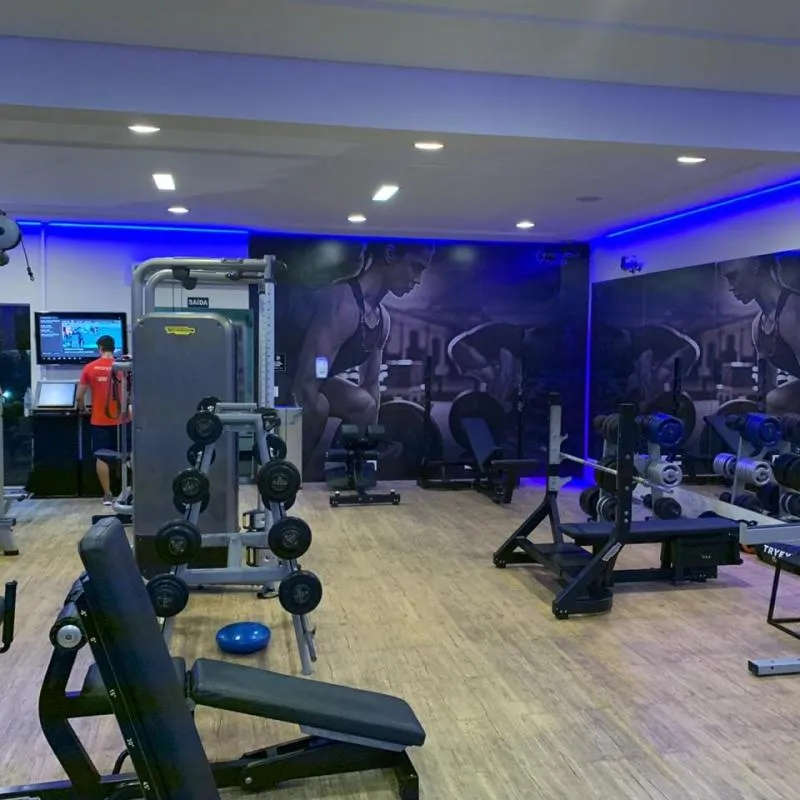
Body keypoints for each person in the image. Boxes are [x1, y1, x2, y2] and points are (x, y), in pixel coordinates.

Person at [293, 242, 434, 465]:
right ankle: (292, 472)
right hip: (282, 376)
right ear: (389, 254)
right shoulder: (344, 305)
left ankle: (345, 473)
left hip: (313, 378)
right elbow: (306, 382)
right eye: (416, 267)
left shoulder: (382, 319)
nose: (418, 280)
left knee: (365, 404)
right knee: (318, 406)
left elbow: (371, 383)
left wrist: (370, 443)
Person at [722, 256, 800, 414]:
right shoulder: (758, 326)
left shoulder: (792, 312)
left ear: (755, 265)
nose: (730, 287)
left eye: (733, 276)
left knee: (777, 399)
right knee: (772, 400)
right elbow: (765, 390)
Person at [76, 335, 126, 505]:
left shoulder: (89, 368)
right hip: (123, 419)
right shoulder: (124, 367)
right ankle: (132, 491)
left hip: (99, 420)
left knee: (101, 456)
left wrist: (83, 409)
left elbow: (79, 397)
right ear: (114, 348)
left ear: (100, 348)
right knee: (129, 455)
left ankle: (108, 495)